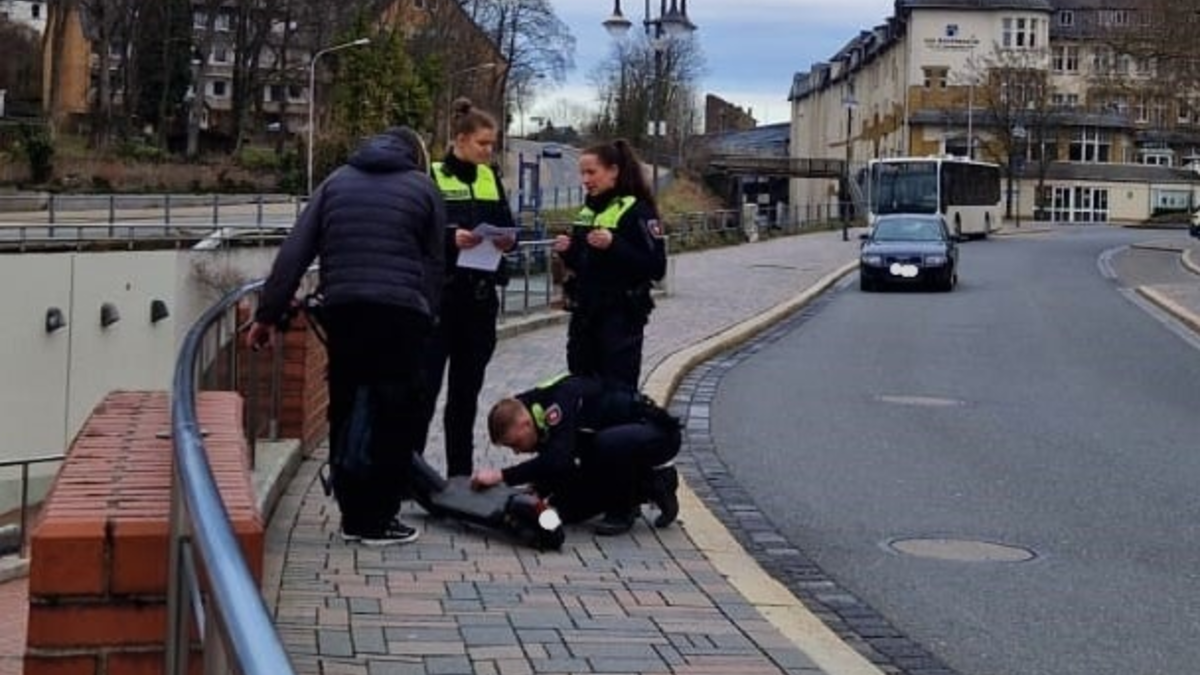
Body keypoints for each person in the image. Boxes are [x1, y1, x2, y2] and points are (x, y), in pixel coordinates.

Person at [246, 126, 445, 547]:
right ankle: (379, 519)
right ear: (415, 155)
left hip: (346, 309)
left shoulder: (335, 182)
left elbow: (295, 251)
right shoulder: (424, 188)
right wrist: (426, 314)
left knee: (348, 403)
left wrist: (268, 314)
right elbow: (433, 263)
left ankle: (353, 513)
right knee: (394, 412)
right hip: (400, 314)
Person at [415, 97, 518, 478]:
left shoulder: (491, 179)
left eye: (492, 145)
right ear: (460, 139)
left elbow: (509, 225)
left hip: (479, 300)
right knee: (424, 392)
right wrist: (449, 238)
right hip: (442, 299)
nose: (489, 151)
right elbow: (419, 231)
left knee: (465, 396)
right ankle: (414, 474)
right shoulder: (434, 176)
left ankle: (459, 474)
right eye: (482, 144)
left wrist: (510, 241)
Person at [470, 373, 681, 536]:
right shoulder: (532, 410)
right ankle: (635, 489)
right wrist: (537, 490)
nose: (516, 451)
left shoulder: (557, 403)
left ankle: (637, 497)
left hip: (657, 433)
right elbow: (558, 461)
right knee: (567, 509)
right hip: (621, 440)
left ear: (525, 424)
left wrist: (502, 476)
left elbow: (558, 459)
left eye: (515, 443)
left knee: (605, 445)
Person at [554, 139, 667, 387]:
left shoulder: (638, 211)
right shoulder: (587, 212)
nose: (585, 179)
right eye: (582, 173)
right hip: (585, 315)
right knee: (581, 385)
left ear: (613, 171)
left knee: (617, 392)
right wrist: (568, 251)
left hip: (620, 317)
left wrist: (614, 244)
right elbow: (585, 264)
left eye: (592, 172)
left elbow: (657, 267)